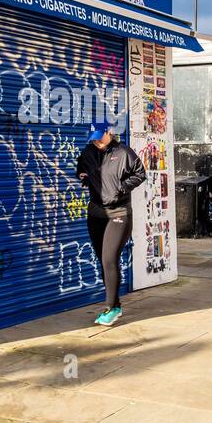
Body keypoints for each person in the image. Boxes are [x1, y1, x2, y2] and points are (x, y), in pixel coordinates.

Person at [76, 121, 146, 326]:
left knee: (109, 259)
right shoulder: (88, 151)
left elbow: (140, 174)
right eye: (93, 138)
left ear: (109, 133)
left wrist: (120, 189)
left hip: (119, 213)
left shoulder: (123, 152)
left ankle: (111, 308)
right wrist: (83, 176)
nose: (97, 141)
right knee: (104, 261)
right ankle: (115, 305)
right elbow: (81, 167)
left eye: (100, 136)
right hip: (96, 214)